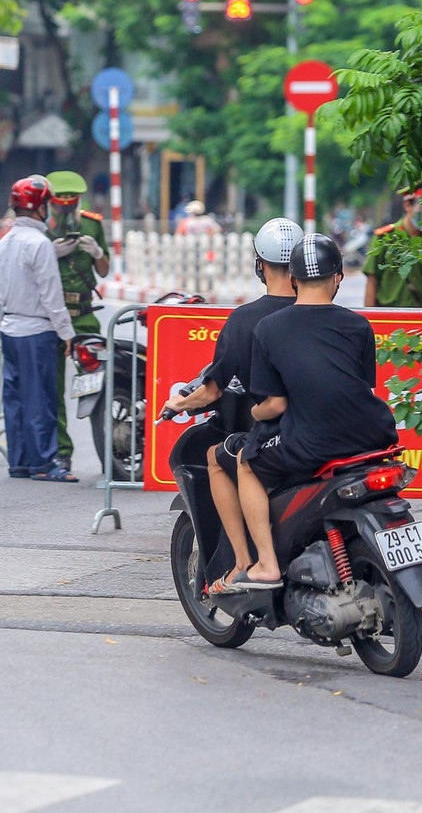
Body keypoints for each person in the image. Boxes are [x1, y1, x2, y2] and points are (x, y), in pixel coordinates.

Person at [225, 234, 399, 591]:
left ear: (293, 278)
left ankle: (266, 564)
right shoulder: (358, 325)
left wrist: (256, 414)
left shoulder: (269, 328)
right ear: (339, 278)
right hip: (374, 435)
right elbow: (361, 389)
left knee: (245, 461)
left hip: (314, 443)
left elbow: (275, 405)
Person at [160, 217, 304, 593]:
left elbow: (212, 391)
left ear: (260, 264)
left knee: (217, 458)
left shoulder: (247, 321)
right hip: (327, 431)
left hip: (274, 436)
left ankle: (244, 562)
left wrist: (178, 403)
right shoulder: (328, 317)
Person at [0, 175, 79, 483]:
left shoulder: (4, 243)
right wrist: (67, 333)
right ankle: (44, 463)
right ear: (40, 207)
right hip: (36, 331)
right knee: (40, 400)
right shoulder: (39, 244)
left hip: (10, 328)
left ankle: (20, 462)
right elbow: (52, 296)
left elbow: (1, 292)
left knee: (15, 400)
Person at [45, 170, 110, 473]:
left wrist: (96, 252)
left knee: (102, 383)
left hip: (83, 317)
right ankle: (61, 452)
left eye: (73, 200)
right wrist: (51, 252)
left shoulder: (92, 224)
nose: (68, 205)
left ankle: (111, 448)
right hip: (52, 318)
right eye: (62, 200)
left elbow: (105, 270)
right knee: (53, 388)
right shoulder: (42, 227)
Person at [363, 181, 422, 308]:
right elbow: (372, 281)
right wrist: (370, 321)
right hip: (388, 315)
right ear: (407, 205)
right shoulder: (385, 238)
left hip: (419, 315)